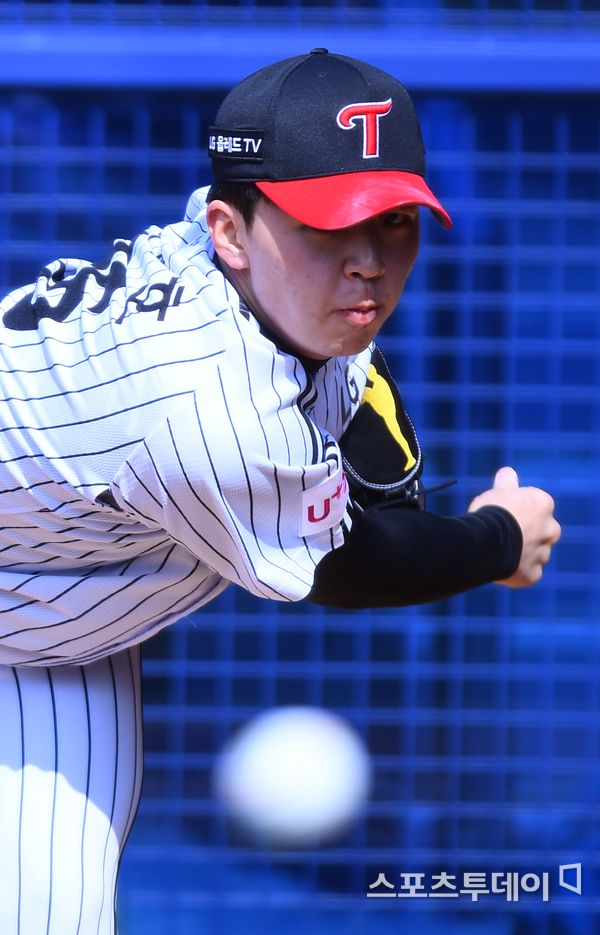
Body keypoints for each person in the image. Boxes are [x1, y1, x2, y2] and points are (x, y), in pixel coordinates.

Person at [0, 49, 560, 933]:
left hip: (46, 632)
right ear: (230, 229)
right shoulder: (203, 398)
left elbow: (337, 376)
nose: (368, 262)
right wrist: (495, 538)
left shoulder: (243, 261)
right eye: (328, 226)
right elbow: (346, 566)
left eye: (392, 221)